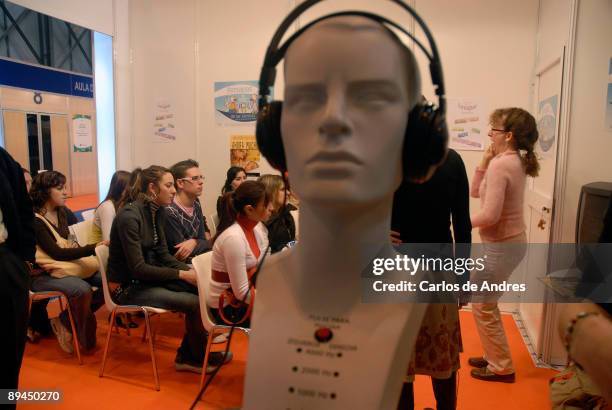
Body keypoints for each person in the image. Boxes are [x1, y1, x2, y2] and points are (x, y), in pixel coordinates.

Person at [243, 7, 447, 408]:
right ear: (275, 134)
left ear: (417, 135)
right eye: (306, 97)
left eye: (371, 97)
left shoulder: (410, 293)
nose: (333, 120)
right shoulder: (271, 281)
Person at [108, 165, 231, 373]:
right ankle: (192, 357)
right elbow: (138, 269)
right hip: (127, 288)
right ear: (152, 188)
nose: (174, 190)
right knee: (193, 302)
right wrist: (183, 274)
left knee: (201, 288)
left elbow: (164, 256)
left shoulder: (158, 212)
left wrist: (195, 274)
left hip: (146, 280)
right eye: (169, 185)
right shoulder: (129, 216)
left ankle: (191, 354)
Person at [392, 148, 471, 410]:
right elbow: (462, 224)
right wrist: (463, 278)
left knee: (400, 361)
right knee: (442, 357)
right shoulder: (451, 159)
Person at [469, 107, 539, 383]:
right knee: (486, 303)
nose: (489, 133)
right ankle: (494, 357)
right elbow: (475, 192)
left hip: (502, 247)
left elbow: (489, 215)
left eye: (493, 129)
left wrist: (460, 224)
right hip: (507, 244)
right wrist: (484, 160)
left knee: (482, 305)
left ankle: (501, 367)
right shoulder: (510, 161)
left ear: (508, 135)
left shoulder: (503, 165)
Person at [29, 170, 106, 353]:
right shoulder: (35, 220)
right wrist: (94, 247)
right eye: (60, 188)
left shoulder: (63, 212)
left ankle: (64, 320)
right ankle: (81, 334)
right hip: (43, 273)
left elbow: (70, 243)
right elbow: (56, 253)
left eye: (65, 187)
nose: (65, 192)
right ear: (45, 191)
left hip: (68, 267)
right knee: (81, 289)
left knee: (111, 281)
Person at [208, 181, 270, 327]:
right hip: (228, 308)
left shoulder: (258, 228)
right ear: (249, 209)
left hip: (245, 298)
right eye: (266, 205)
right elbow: (241, 293)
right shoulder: (234, 238)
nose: (271, 208)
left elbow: (265, 265)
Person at [0, 148, 35, 398]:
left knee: (8, 349)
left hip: (5, 260)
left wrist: (25, 257)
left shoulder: (2, 160)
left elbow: (23, 208)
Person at [165, 159, 211, 263]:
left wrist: (195, 242)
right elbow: (181, 252)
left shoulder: (196, 202)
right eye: (195, 178)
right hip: (181, 266)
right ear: (180, 183)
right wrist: (205, 242)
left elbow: (203, 239)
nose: (201, 182)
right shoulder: (170, 211)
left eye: (201, 177)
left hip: (198, 259)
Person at [258, 174, 296, 253]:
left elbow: (291, 241)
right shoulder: (261, 222)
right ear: (270, 192)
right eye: (283, 189)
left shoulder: (286, 215)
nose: (288, 193)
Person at [93, 170, 131, 242]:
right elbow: (108, 241)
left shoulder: (121, 205)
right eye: (130, 187)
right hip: (99, 251)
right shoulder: (107, 207)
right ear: (121, 189)